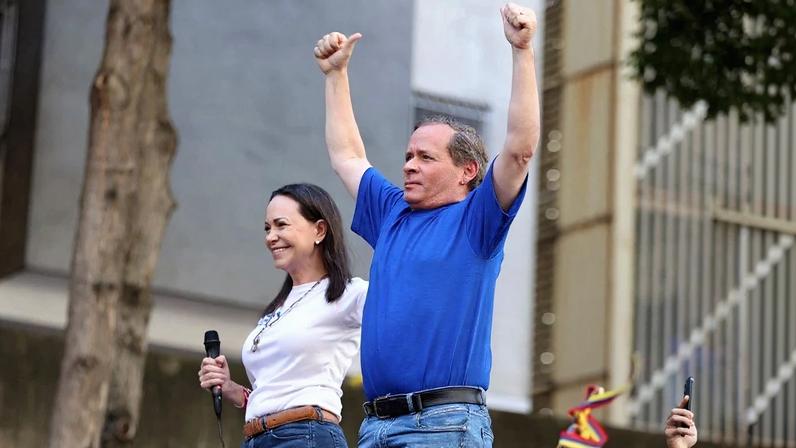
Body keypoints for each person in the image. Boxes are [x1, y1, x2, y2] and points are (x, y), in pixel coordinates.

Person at [313, 3, 540, 446]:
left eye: (425, 157)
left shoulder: (478, 220)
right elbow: (347, 156)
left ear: (467, 172)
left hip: (444, 424)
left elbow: (519, 150)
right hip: (375, 425)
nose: (409, 166)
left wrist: (522, 50)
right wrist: (335, 76)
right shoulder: (393, 211)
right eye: (408, 156)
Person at [198, 183, 367, 448]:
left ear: (319, 230)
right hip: (256, 437)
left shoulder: (350, 293)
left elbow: (407, 319)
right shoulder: (279, 307)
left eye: (281, 225)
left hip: (306, 435)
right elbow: (277, 393)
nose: (270, 237)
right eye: (267, 228)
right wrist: (230, 388)